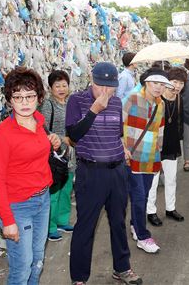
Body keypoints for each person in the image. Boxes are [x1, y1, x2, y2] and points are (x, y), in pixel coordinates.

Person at [66, 62, 142, 285]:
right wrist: (94, 111)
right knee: (85, 225)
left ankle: (122, 268)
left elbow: (117, 133)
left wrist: (123, 148)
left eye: (111, 87)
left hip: (117, 170)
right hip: (91, 172)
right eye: (101, 86)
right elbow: (74, 135)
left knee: (118, 221)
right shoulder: (76, 101)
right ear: (92, 81)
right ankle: (79, 278)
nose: (106, 92)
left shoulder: (117, 102)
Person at [0, 67, 61, 284]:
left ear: (39, 97)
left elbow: (38, 156)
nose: (24, 102)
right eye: (18, 97)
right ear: (10, 100)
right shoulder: (3, 134)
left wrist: (54, 142)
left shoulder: (39, 122)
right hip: (18, 207)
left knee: (37, 261)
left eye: (30, 96)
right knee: (22, 267)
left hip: (43, 200)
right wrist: (8, 220)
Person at [123, 68, 171, 254]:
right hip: (132, 157)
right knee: (139, 196)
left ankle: (135, 225)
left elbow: (160, 130)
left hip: (151, 158)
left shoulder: (161, 105)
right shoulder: (133, 98)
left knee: (142, 196)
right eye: (155, 83)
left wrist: (158, 150)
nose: (159, 88)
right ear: (146, 83)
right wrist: (123, 148)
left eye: (162, 84)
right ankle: (143, 236)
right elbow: (118, 123)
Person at [146, 68, 187, 226]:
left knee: (171, 179)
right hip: (155, 145)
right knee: (153, 180)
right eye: (174, 82)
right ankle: (151, 211)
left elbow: (179, 121)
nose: (177, 86)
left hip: (172, 144)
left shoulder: (179, 99)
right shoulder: (156, 98)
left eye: (181, 83)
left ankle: (171, 208)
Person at [39, 70, 75, 242]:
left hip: (70, 155)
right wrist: (63, 139)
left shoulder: (70, 103)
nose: (61, 89)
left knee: (66, 190)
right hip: (54, 155)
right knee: (53, 192)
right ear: (50, 87)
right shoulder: (48, 105)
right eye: (57, 86)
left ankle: (62, 221)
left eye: (64, 85)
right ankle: (50, 226)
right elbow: (43, 130)